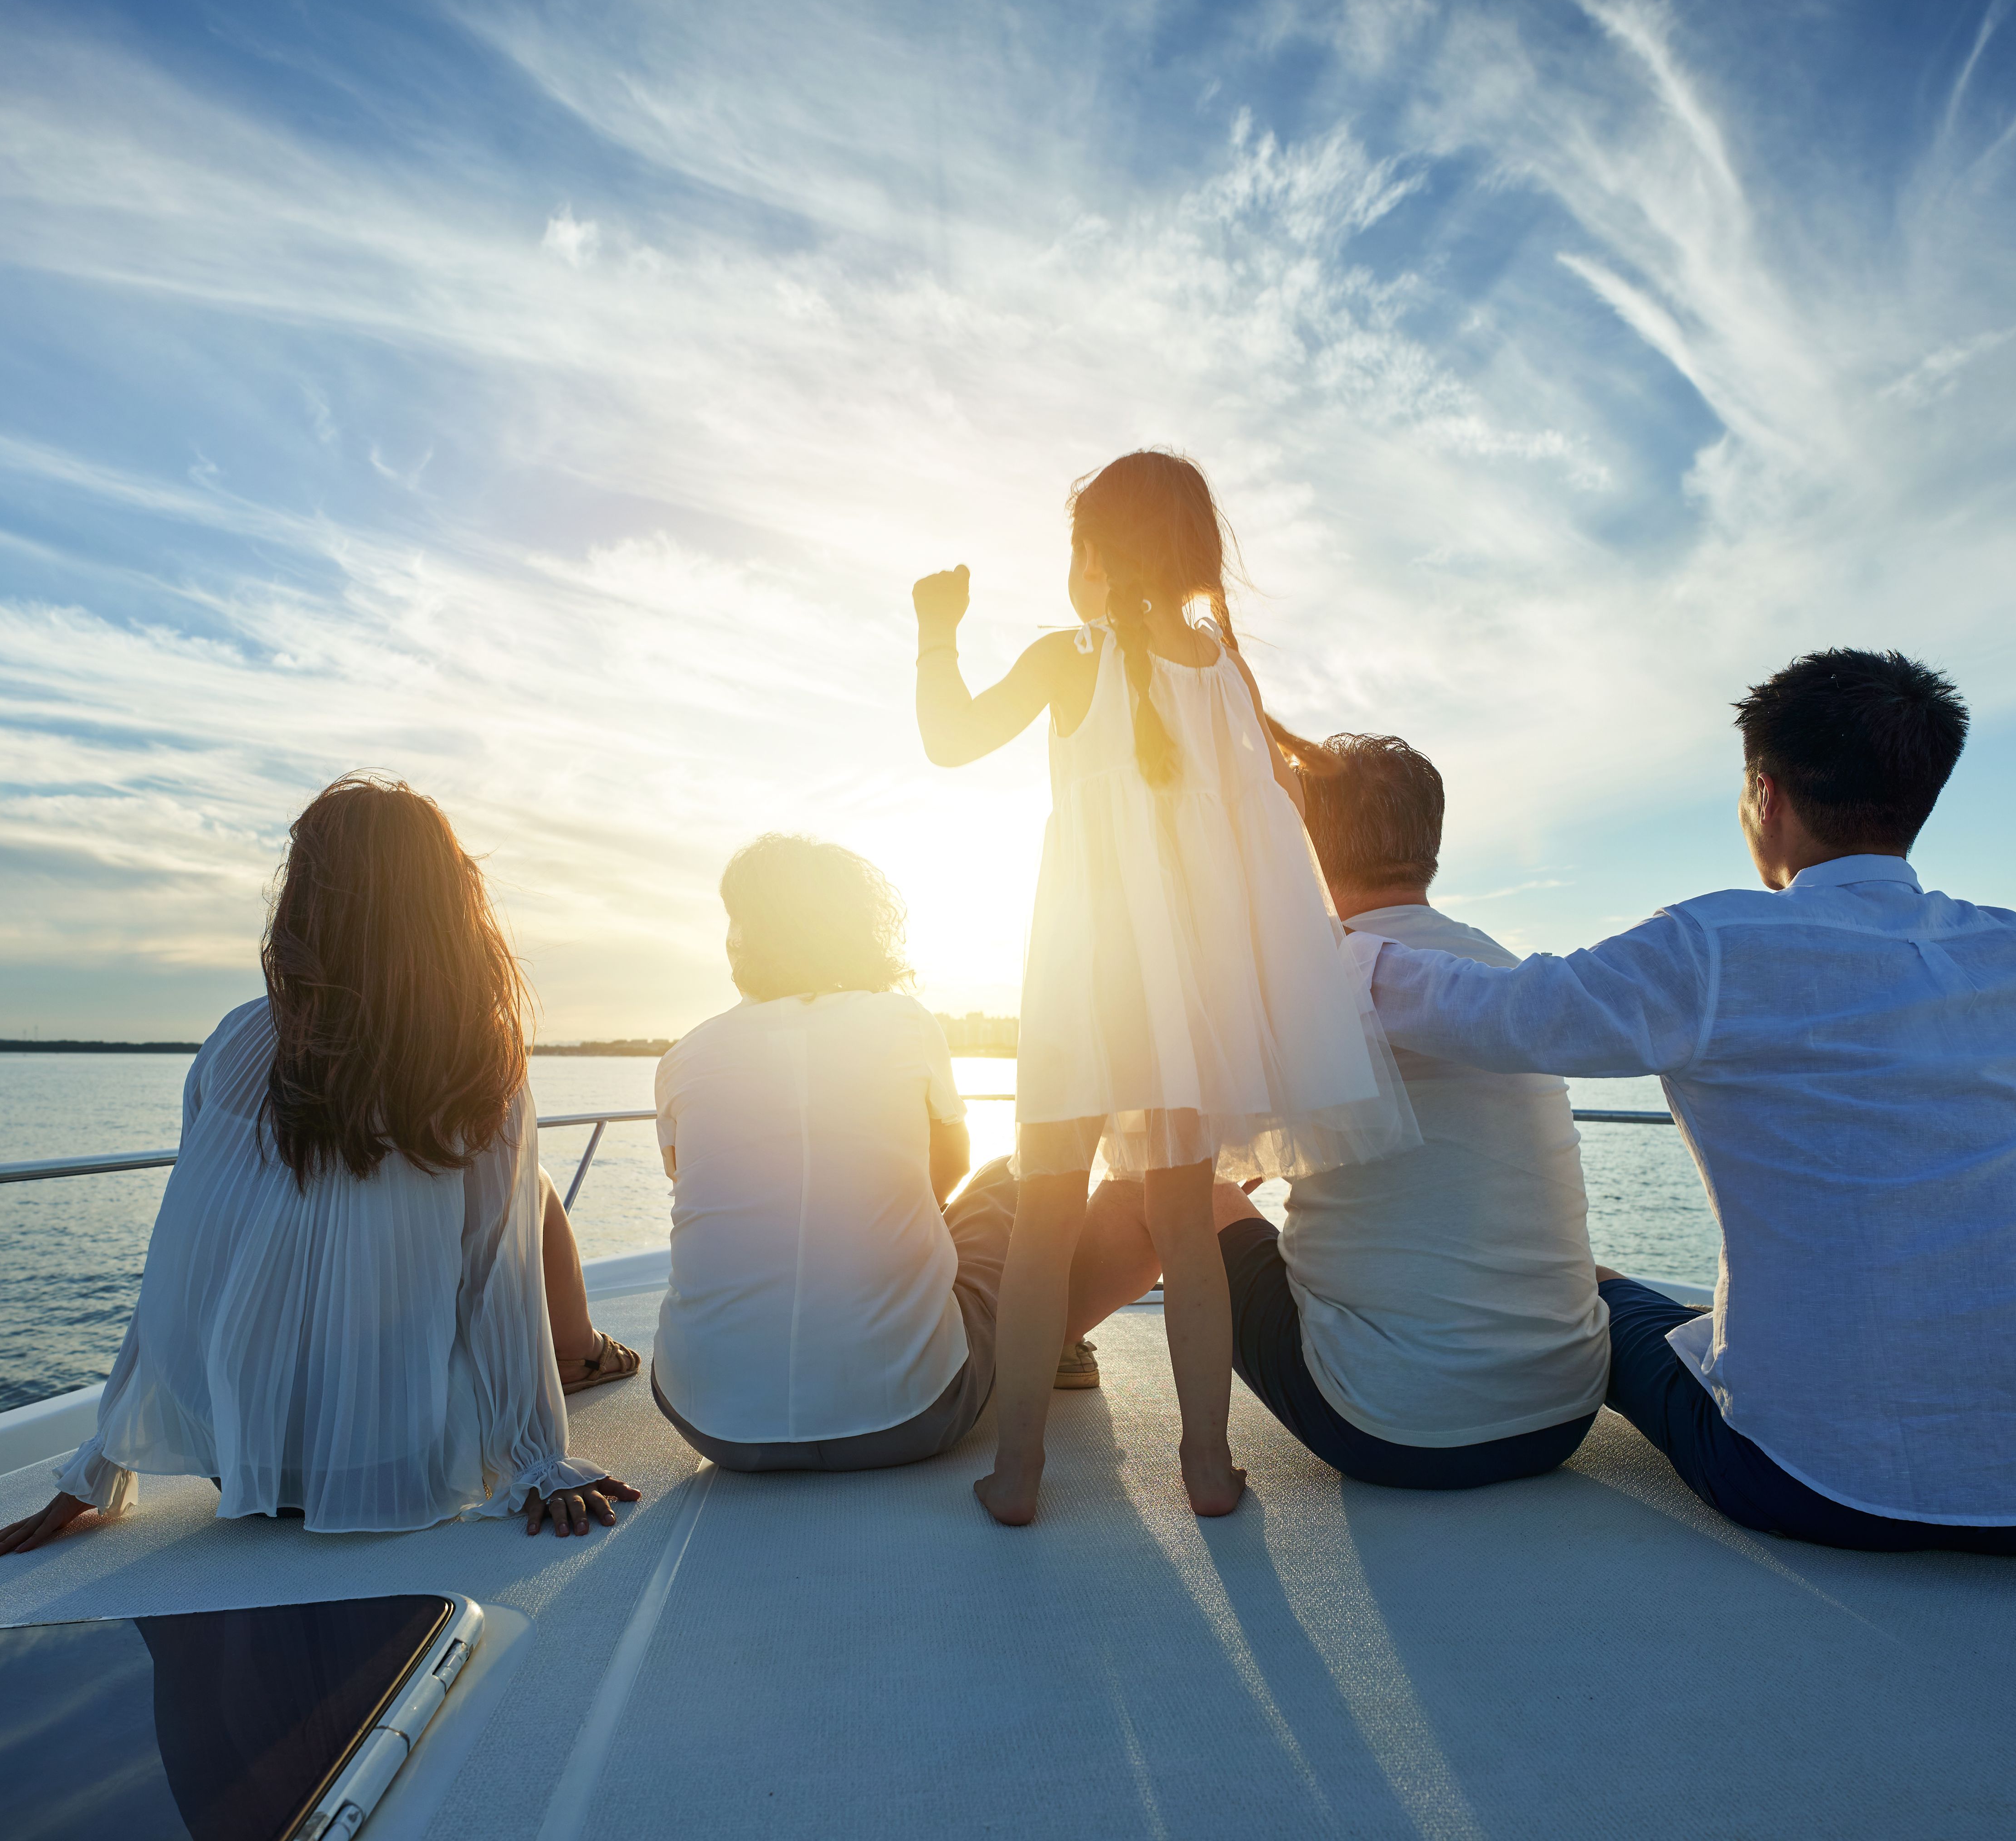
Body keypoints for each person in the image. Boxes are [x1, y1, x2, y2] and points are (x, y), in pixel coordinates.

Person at [1353, 651, 2016, 1552]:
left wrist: (1337, 953)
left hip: (1805, 1478)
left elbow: (1503, 1014)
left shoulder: (1715, 944)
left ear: (1765, 795)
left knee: (1597, 1305)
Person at [913, 449, 1415, 1524]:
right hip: (1188, 997)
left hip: (1084, 975)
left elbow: (949, 741)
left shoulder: (1068, 658)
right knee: (1184, 1229)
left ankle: (1019, 1469)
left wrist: (937, 631)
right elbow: (1275, 844)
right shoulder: (1226, 676)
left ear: (1096, 558)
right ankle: (1207, 1467)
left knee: (1046, 1221)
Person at [0, 775, 640, 1556]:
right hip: (384, 1466)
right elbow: (498, 1278)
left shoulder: (234, 1041)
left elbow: (181, 1267)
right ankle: (585, 1356)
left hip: (236, 1459)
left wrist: (100, 1465)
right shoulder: (475, 1059)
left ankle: (580, 1357)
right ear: (448, 908)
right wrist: (539, 1463)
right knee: (527, 1195)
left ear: (305, 904)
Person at [1068, 734, 1610, 1488]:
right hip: (1561, 1416)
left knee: (1147, 1183)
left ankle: (1046, 1343)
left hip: (1390, 1425)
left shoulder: (1310, 973)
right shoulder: (1499, 973)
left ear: (1297, 836)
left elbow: (1181, 1157)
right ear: (1429, 840)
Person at [646, 835, 1035, 1472]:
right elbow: (952, 1169)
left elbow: (691, 1183)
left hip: (714, 1425)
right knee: (1011, 1179)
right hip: (914, 1415)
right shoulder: (906, 1023)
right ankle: (1052, 1342)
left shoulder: (684, 1057)